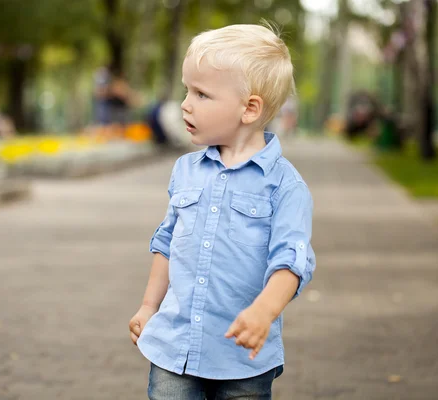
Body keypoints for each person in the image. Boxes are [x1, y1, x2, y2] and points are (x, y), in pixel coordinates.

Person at [129, 23, 316, 399]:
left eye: (201, 94)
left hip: (241, 359)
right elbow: (166, 243)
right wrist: (149, 306)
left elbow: (290, 263)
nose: (185, 103)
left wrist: (263, 312)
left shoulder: (285, 187)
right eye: (187, 89)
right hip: (175, 346)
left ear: (249, 108)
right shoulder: (186, 170)